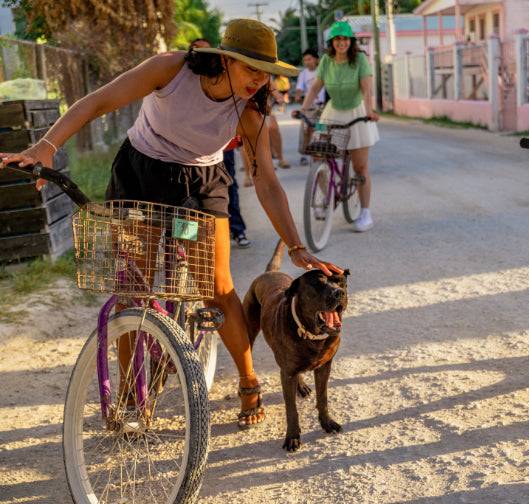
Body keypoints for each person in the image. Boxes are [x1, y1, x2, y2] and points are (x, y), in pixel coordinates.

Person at [0, 19, 342, 429]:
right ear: (226, 60)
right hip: (142, 174)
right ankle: (130, 395)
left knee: (216, 287)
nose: (259, 79)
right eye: (250, 67)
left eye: (265, 70)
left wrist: (296, 245)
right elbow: (97, 102)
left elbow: (266, 180)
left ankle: (249, 381)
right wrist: (46, 146)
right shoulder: (171, 69)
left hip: (200, 185)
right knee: (133, 288)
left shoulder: (250, 109)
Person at [300, 21, 379, 233]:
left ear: (350, 41)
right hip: (332, 113)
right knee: (318, 156)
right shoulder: (326, 60)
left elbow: (367, 89)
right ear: (332, 42)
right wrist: (303, 109)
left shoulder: (360, 59)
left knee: (360, 167)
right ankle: (327, 196)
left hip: (357, 112)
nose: (341, 42)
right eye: (337, 39)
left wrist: (370, 111)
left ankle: (365, 212)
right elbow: (315, 87)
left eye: (345, 38)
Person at [190, 38, 251, 247]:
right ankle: (186, 247)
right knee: (187, 204)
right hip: (187, 157)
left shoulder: (229, 85)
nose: (202, 55)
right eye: (197, 51)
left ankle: (236, 231)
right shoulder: (183, 84)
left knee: (226, 193)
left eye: (207, 51)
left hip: (223, 151)